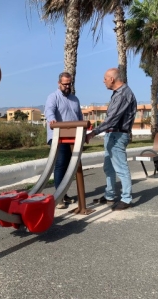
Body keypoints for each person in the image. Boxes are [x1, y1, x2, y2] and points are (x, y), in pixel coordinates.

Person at [85, 67, 137, 211]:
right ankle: (110, 195)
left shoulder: (123, 95)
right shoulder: (117, 93)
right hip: (112, 134)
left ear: (112, 79)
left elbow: (112, 119)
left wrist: (93, 133)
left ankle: (126, 198)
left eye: (105, 78)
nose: (104, 81)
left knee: (121, 168)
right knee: (108, 167)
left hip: (118, 135)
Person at [45, 72, 83, 209]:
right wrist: (52, 119)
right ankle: (58, 197)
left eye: (69, 84)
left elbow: (79, 117)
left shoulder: (75, 99)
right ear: (59, 83)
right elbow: (49, 110)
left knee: (70, 166)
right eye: (65, 84)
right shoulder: (53, 97)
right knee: (61, 164)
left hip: (73, 137)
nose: (67, 86)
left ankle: (64, 193)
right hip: (58, 137)